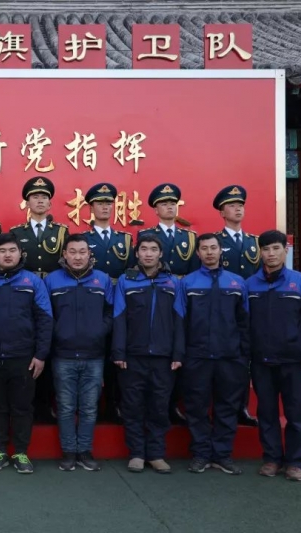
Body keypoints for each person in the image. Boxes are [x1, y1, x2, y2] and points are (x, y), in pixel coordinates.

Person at [246, 230, 301, 482]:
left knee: (296, 414)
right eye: (266, 249)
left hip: (294, 361)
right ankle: (271, 459)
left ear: (285, 250)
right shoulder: (250, 285)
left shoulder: (300, 283)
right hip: (261, 361)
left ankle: (294, 462)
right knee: (266, 413)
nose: (271, 254)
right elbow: (242, 322)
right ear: (260, 253)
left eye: (276, 249)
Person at [0, 233, 53, 474]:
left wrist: (40, 355)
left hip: (24, 358)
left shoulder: (33, 282)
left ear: (20, 253)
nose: (8, 255)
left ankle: (21, 452)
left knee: (22, 407)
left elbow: (45, 320)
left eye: (12, 250)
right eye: (2, 251)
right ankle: (0, 450)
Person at [112, 234, 185, 474]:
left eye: (154, 249)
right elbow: (119, 318)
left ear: (160, 254)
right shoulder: (126, 281)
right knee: (132, 406)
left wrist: (178, 354)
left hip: (164, 357)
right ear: (137, 253)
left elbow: (180, 319)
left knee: (159, 406)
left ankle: (156, 454)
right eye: (144, 249)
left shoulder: (173, 282)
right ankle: (136, 453)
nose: (149, 254)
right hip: (132, 356)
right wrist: (119, 352)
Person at [180, 233, 250, 475]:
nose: (209, 252)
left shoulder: (237, 282)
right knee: (196, 407)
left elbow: (244, 322)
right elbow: (180, 322)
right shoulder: (187, 283)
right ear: (198, 253)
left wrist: (243, 355)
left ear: (221, 251)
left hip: (230, 358)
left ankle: (222, 455)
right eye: (204, 249)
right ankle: (201, 454)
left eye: (213, 248)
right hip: (196, 357)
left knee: (227, 407)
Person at [44, 234, 113, 472]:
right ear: (64, 254)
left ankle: (84, 451)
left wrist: (99, 331)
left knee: (89, 407)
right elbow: (45, 314)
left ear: (89, 254)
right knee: (65, 407)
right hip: (62, 355)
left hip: (94, 355)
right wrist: (59, 333)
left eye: (82, 252)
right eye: (72, 252)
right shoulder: (52, 280)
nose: (77, 257)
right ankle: (69, 452)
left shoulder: (103, 279)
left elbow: (111, 312)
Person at [138, 183, 198, 426]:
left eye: (173, 203)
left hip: (181, 297)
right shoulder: (145, 236)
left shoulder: (190, 237)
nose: (169, 207)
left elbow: (194, 272)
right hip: (156, 296)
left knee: (180, 351)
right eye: (164, 203)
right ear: (156, 209)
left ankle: (174, 404)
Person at [10, 176, 67, 424]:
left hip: (54, 294)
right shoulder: (16, 233)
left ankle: (47, 404)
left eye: (44, 197)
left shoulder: (61, 232)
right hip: (26, 295)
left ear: (50, 203)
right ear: (28, 203)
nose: (40, 201)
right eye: (35, 197)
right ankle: (28, 405)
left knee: (51, 347)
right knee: (28, 345)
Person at [82, 182, 133, 424]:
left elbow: (130, 272)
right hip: (91, 301)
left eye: (108, 203)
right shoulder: (83, 239)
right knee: (93, 353)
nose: (105, 207)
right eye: (99, 203)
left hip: (119, 302)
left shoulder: (125, 239)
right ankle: (90, 405)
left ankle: (113, 404)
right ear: (91, 207)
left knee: (117, 355)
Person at [213, 184, 260, 427]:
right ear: (222, 212)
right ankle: (219, 406)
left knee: (244, 360)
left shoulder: (255, 242)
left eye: (240, 205)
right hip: (222, 308)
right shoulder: (214, 243)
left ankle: (242, 406)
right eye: (232, 206)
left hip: (248, 308)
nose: (238, 209)